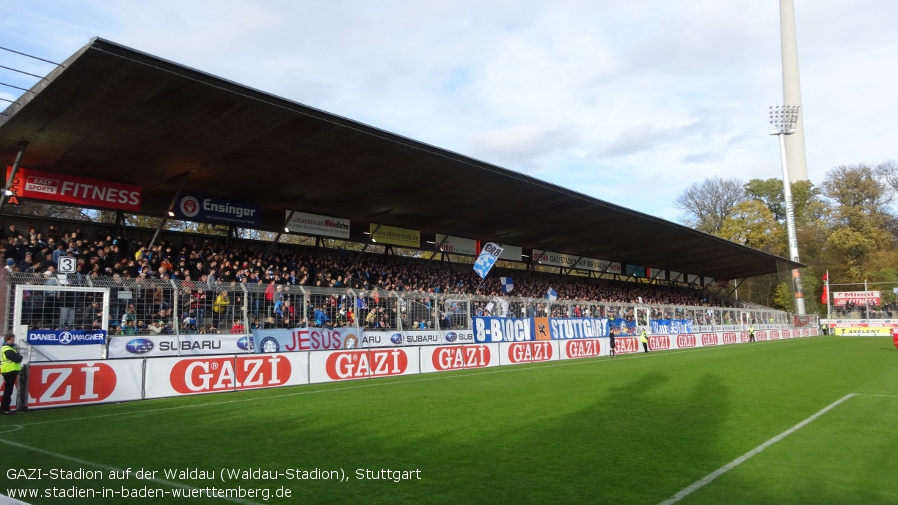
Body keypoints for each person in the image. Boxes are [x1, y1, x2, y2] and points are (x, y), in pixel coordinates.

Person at [1, 332, 24, 414]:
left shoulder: (7, 348)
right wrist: (19, 356)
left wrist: (18, 356)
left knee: (8, 390)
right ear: (7, 340)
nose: (13, 340)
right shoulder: (8, 349)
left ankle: (4, 408)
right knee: (8, 390)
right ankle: (5, 408)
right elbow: (18, 358)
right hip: (9, 371)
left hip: (8, 370)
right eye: (12, 339)